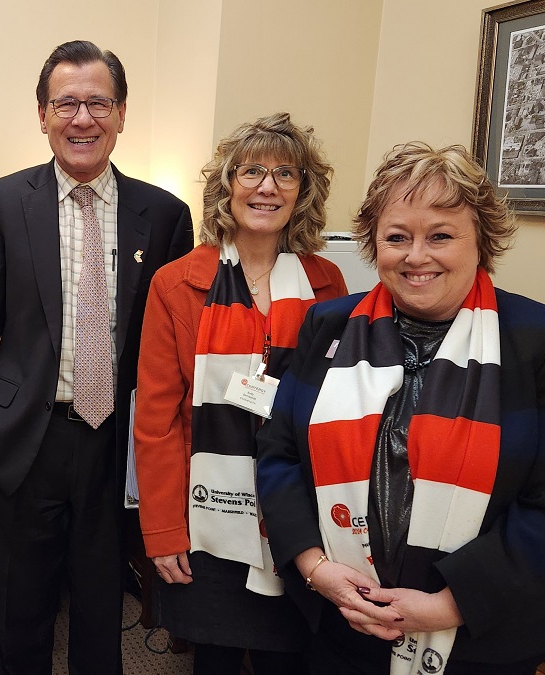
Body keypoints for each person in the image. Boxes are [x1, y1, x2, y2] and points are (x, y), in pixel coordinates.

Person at [255, 142, 545, 674]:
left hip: (480, 640)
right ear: (376, 245)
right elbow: (279, 454)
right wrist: (313, 565)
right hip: (342, 620)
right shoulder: (325, 325)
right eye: (397, 237)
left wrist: (448, 604)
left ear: (481, 240)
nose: (416, 256)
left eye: (441, 235)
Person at [0, 39, 194, 675]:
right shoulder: (4, 202)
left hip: (116, 442)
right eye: (66, 104)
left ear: (120, 114)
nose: (81, 119)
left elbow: (169, 348)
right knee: (21, 607)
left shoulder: (165, 215)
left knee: (100, 600)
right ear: (42, 114)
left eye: (97, 103)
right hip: (25, 438)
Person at [134, 113, 347, 674]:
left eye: (285, 173)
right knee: (217, 661)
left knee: (290, 662)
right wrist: (161, 530)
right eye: (251, 170)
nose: (267, 185)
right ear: (227, 186)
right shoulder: (176, 283)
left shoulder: (327, 285)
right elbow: (157, 420)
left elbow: (336, 413)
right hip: (206, 514)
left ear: (303, 192)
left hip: (297, 519)